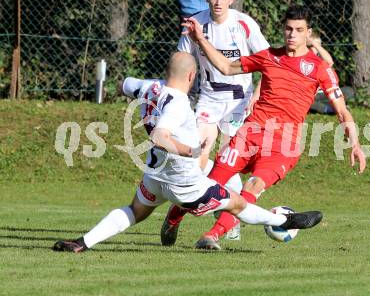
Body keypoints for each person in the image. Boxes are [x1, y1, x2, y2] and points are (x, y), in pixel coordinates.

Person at [52, 52, 323, 253]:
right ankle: (284, 221)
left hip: (154, 176)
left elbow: (126, 84)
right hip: (184, 184)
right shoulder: (179, 104)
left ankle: (81, 243)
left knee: (135, 211)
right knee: (237, 203)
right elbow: (160, 135)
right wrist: (190, 149)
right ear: (192, 77)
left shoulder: (151, 88)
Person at [162, 5, 367, 250]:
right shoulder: (269, 56)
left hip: (284, 144)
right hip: (250, 135)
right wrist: (201, 39)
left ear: (308, 33)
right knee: (209, 187)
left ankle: (212, 236)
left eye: (299, 30)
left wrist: (355, 143)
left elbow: (342, 111)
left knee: (252, 187)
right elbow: (226, 67)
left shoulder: (320, 68)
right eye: (289, 29)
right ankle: (175, 216)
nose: (292, 34)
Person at [169, 0, 270, 241]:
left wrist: (257, 95)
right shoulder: (197, 23)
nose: (218, 2)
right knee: (197, 158)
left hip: (239, 103)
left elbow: (269, 64)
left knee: (228, 163)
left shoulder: (244, 24)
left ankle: (229, 217)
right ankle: (176, 213)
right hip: (209, 100)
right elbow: (182, 61)